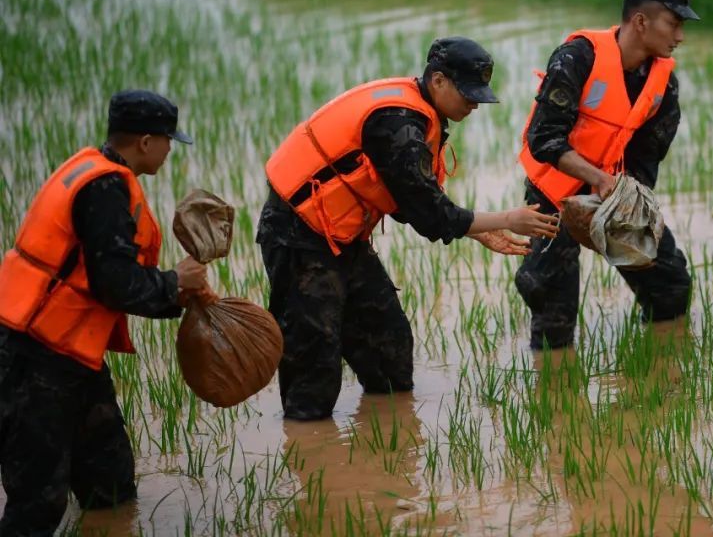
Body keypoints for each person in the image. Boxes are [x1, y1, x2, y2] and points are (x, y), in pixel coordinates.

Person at [257, 37, 559, 421]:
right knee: (314, 360)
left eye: (479, 96)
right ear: (438, 81)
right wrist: (505, 219)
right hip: (298, 235)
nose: (474, 105)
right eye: (468, 94)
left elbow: (408, 197)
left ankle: (386, 448)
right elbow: (430, 217)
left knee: (389, 350)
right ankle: (311, 456)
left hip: (343, 235)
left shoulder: (417, 115)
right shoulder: (397, 123)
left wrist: (476, 230)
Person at [0, 90, 209, 536]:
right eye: (169, 141)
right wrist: (175, 283)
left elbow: (108, 283)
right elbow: (114, 285)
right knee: (37, 503)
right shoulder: (105, 188)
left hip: (71, 357)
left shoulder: (98, 170)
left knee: (110, 483)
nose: (171, 150)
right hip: (33, 359)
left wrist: (179, 298)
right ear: (146, 142)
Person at [515, 0, 696, 350]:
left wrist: (625, 203)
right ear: (641, 21)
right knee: (552, 313)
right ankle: (556, 390)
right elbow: (543, 139)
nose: (680, 36)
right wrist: (594, 177)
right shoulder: (577, 58)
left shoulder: (664, 85)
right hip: (553, 195)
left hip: (614, 195)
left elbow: (648, 158)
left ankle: (661, 368)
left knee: (671, 287)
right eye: (673, 23)